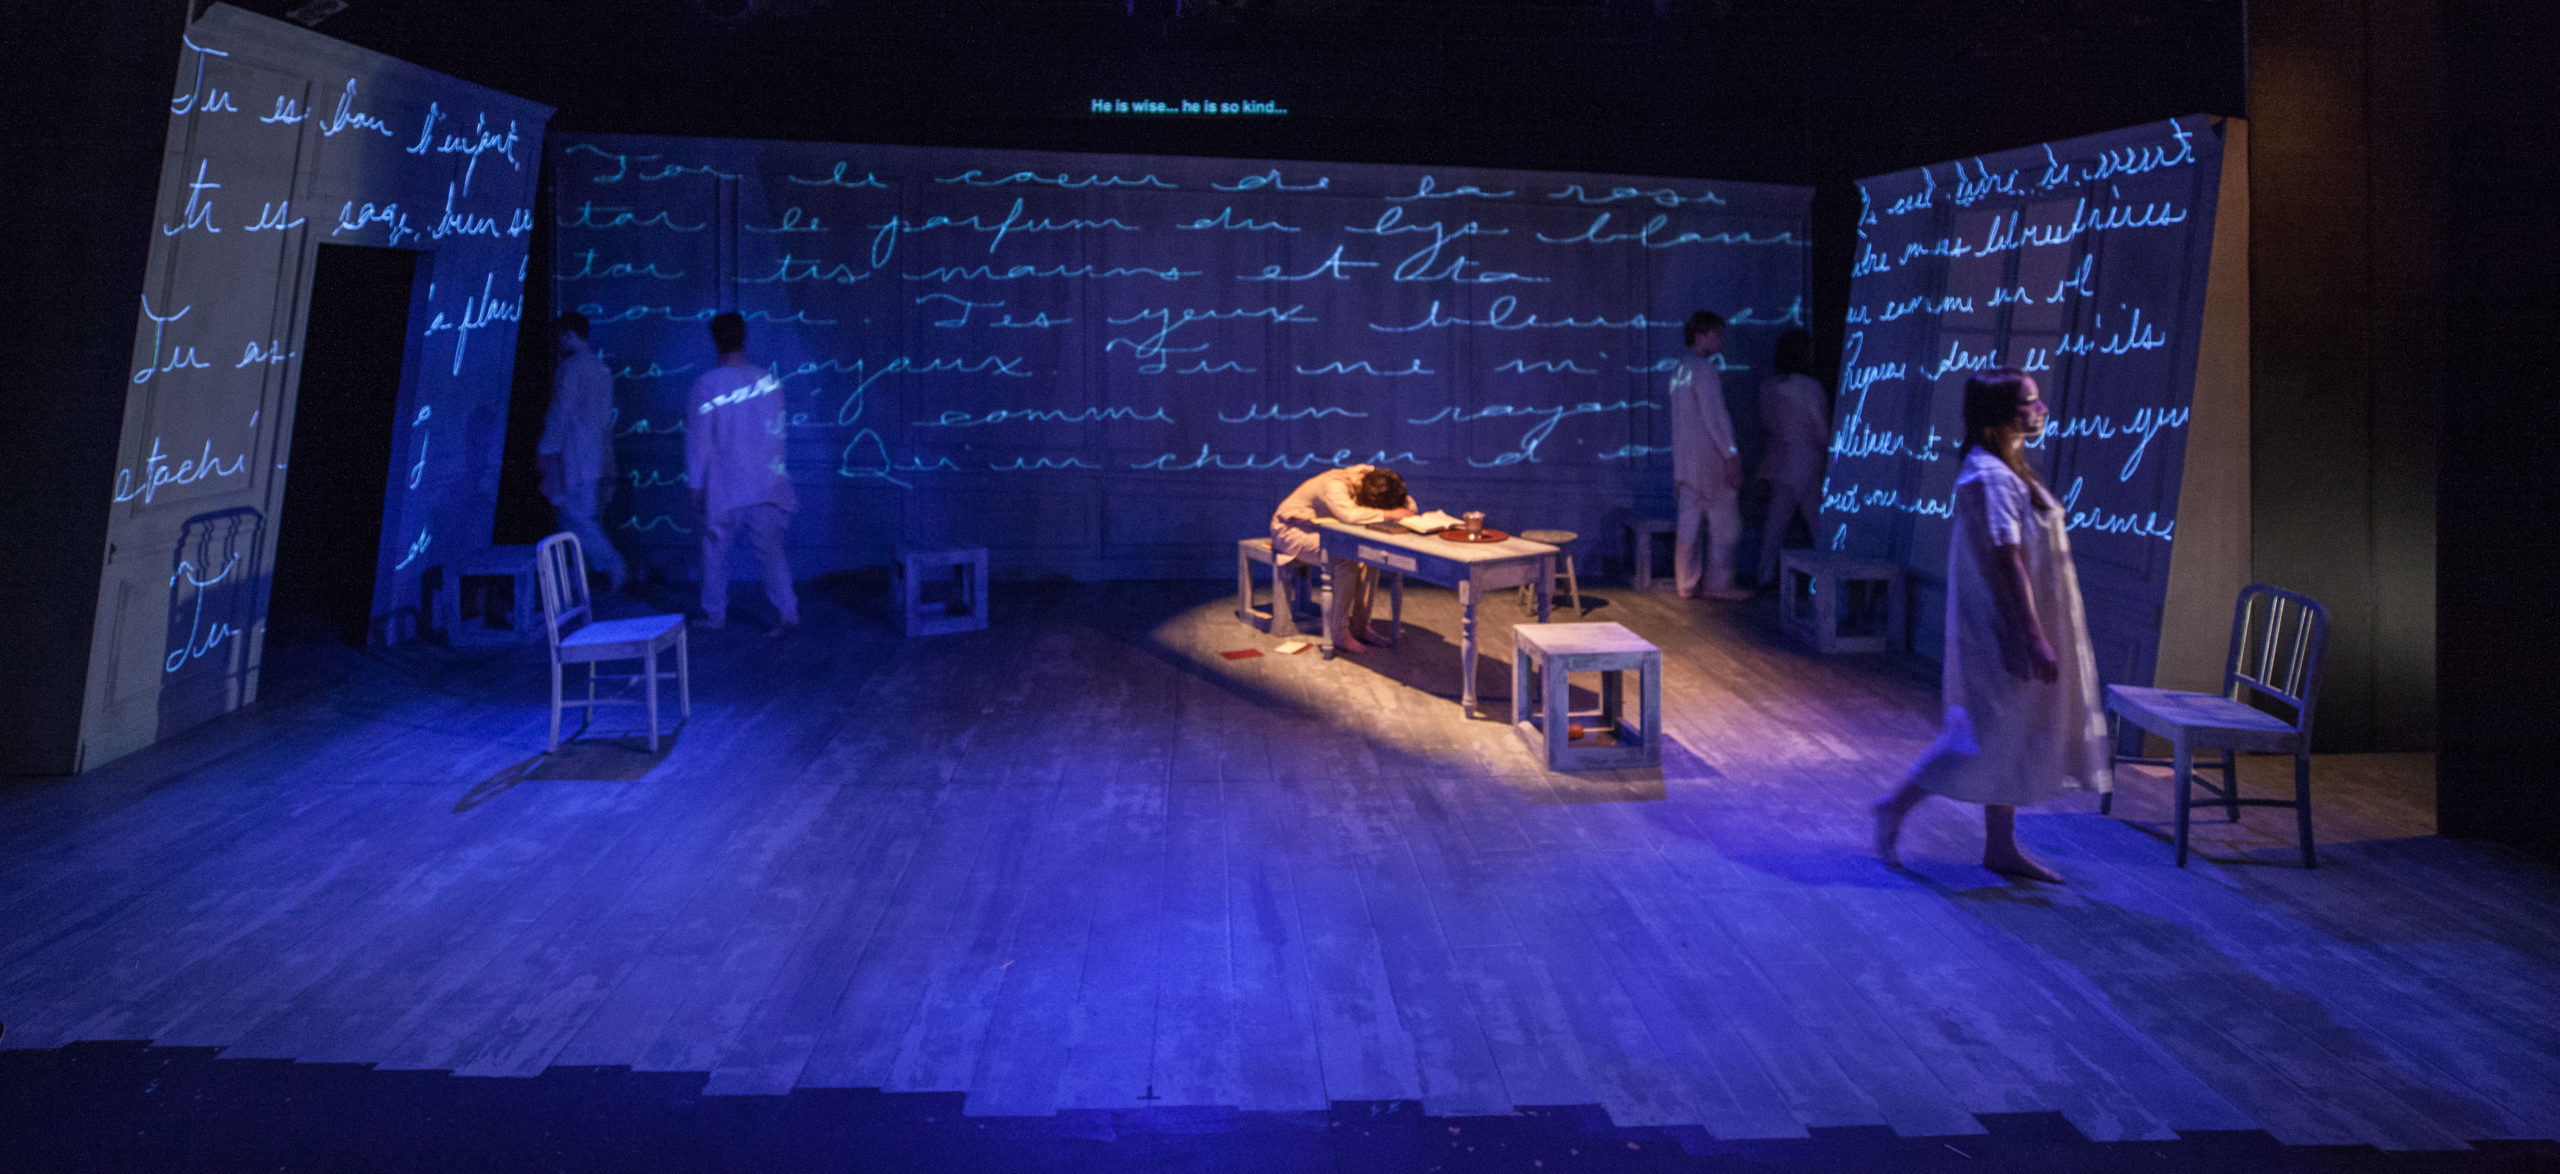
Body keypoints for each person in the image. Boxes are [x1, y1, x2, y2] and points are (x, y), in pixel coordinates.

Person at [1873, 369, 2109, 882]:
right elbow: (2008, 559)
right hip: (2002, 625)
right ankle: (1895, 807)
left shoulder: (2007, 469)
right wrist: (2032, 636)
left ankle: (2000, 846)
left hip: (2012, 621)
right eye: (2029, 402)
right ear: (2001, 414)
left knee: (2007, 730)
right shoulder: (1992, 476)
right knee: (1984, 731)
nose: (2040, 409)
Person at [684, 311, 800, 636]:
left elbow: (699, 440)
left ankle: (715, 614)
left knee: (714, 551)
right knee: (771, 553)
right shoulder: (769, 381)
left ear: (714, 340)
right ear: (744, 338)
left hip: (725, 484)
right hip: (766, 482)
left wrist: (695, 484)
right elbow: (777, 434)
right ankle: (788, 611)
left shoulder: (708, 384)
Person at [1271, 465, 1417, 653]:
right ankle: (1339, 631)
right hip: (1291, 530)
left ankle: (1361, 626)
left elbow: (1409, 504)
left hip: (1321, 528)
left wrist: (1401, 507)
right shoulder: (1334, 485)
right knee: (1345, 555)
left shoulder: (1374, 478)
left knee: (1371, 556)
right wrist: (1390, 514)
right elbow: (1349, 515)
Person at [538, 312, 627, 592]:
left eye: (559, 336)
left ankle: (612, 567)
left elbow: (559, 414)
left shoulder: (570, 368)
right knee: (579, 518)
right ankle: (590, 578)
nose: (557, 341)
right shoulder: (602, 368)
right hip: (595, 455)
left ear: (567, 334)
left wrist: (546, 450)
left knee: (575, 519)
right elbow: (604, 419)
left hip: (573, 456)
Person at [1670, 310, 1749, 600]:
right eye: (1717, 334)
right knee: (1725, 522)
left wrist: (1679, 469)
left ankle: (1686, 582)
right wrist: (1730, 454)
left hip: (1687, 462)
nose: (1721, 340)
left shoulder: (1680, 370)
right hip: (1709, 459)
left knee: (1689, 522)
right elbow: (1715, 416)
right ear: (1702, 334)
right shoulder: (1704, 370)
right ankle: (1719, 583)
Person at [1755, 327, 1831, 586]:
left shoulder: (1769, 387)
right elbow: (1821, 430)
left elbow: (1766, 422)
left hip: (1778, 460)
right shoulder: (1810, 387)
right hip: (1807, 460)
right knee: (1818, 526)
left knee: (1774, 526)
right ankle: (1829, 581)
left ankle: (1764, 574)